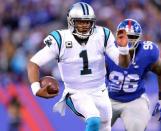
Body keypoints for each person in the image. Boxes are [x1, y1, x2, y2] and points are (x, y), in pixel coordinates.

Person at [27, 2, 130, 131]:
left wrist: (124, 49)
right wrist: (35, 89)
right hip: (75, 92)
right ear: (71, 21)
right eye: (80, 22)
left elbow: (123, 63)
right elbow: (34, 63)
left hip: (100, 90)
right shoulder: (61, 39)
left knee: (104, 127)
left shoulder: (103, 35)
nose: (84, 26)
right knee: (93, 120)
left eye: (87, 22)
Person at [105, 19, 161, 131]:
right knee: (94, 125)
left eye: (132, 36)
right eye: (125, 36)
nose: (127, 40)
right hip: (110, 98)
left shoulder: (147, 52)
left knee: (136, 128)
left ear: (139, 38)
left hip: (135, 99)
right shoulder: (108, 51)